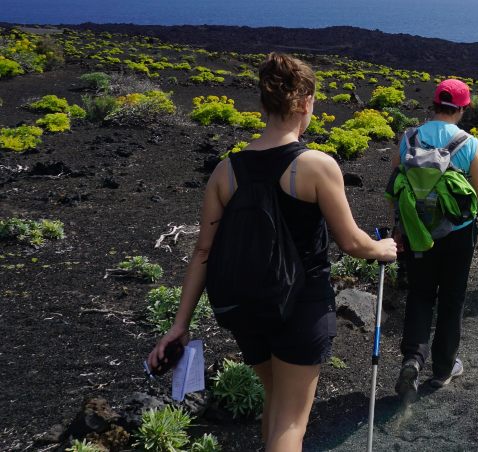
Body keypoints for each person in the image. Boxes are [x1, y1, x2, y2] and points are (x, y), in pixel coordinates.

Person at [148, 53, 397, 452]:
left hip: (245, 308)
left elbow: (202, 252)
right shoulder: (315, 165)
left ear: (264, 104)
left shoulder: (226, 171)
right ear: (304, 103)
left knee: (275, 402)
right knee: (291, 423)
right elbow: (351, 242)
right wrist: (382, 248)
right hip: (300, 304)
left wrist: (180, 325)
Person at [390, 78, 478, 393]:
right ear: (463, 108)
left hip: (417, 230)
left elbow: (396, 185)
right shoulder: (468, 143)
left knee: (420, 294)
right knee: (451, 299)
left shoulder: (409, 137)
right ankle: (443, 368)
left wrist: (399, 228)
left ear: (434, 104)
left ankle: (413, 359)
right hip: (457, 234)